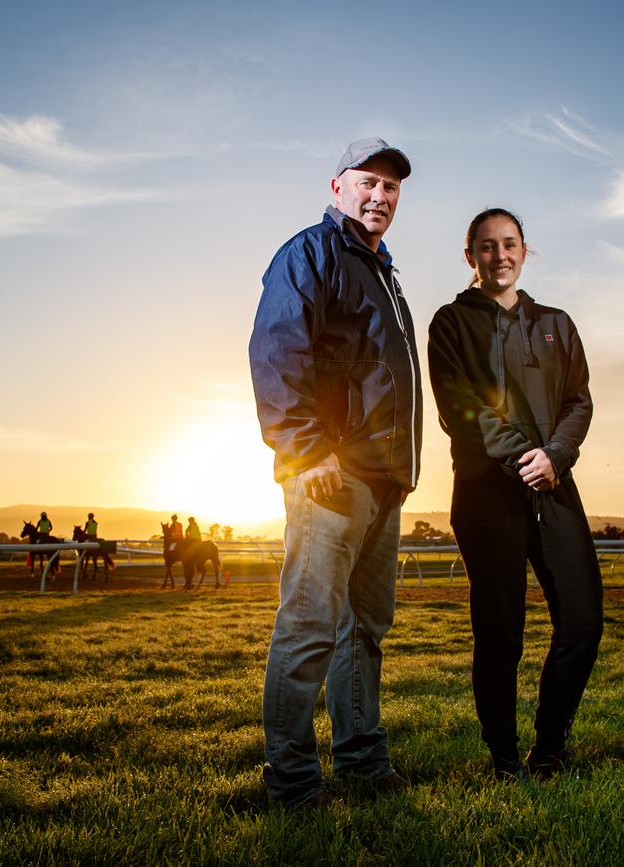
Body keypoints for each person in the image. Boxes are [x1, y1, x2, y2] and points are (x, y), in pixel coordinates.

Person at [249, 137, 422, 808]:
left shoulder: (382, 270)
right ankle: (290, 781)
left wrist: (402, 471)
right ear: (337, 186)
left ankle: (361, 763)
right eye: (369, 182)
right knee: (309, 623)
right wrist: (303, 448)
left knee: (364, 627)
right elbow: (277, 347)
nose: (381, 195)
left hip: (383, 476)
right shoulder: (311, 253)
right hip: (330, 472)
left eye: (392, 187)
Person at [428, 207, 603, 781]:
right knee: (501, 631)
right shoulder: (450, 322)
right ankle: (504, 759)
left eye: (509, 244)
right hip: (487, 495)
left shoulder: (556, 321)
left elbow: (579, 401)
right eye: (485, 245)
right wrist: (521, 458)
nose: (498, 255)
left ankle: (548, 748)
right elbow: (461, 409)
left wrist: (555, 456)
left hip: (555, 486)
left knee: (582, 622)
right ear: (469, 254)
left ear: (525, 251)